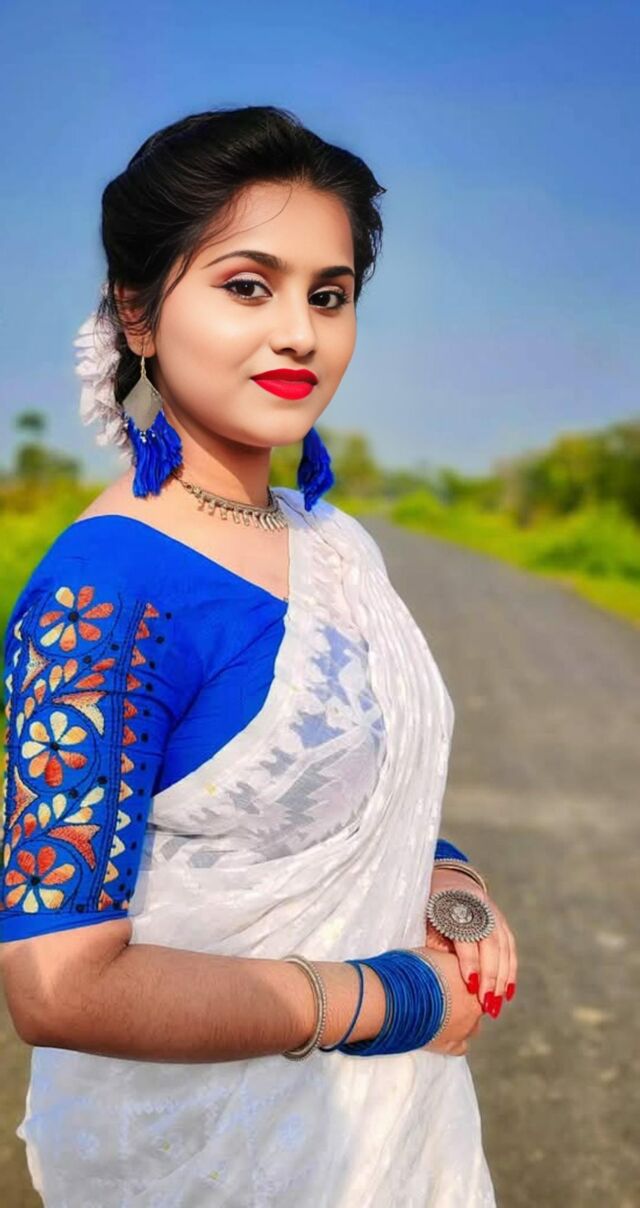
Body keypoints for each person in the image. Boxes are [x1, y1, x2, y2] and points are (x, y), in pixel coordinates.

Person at [0, 106, 515, 1206]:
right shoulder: (106, 596)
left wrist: (443, 878)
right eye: (248, 285)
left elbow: (338, 786)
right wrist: (397, 999)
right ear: (137, 312)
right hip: (200, 1161)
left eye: (329, 295)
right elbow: (57, 984)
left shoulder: (331, 540)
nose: (300, 334)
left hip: (393, 1144)